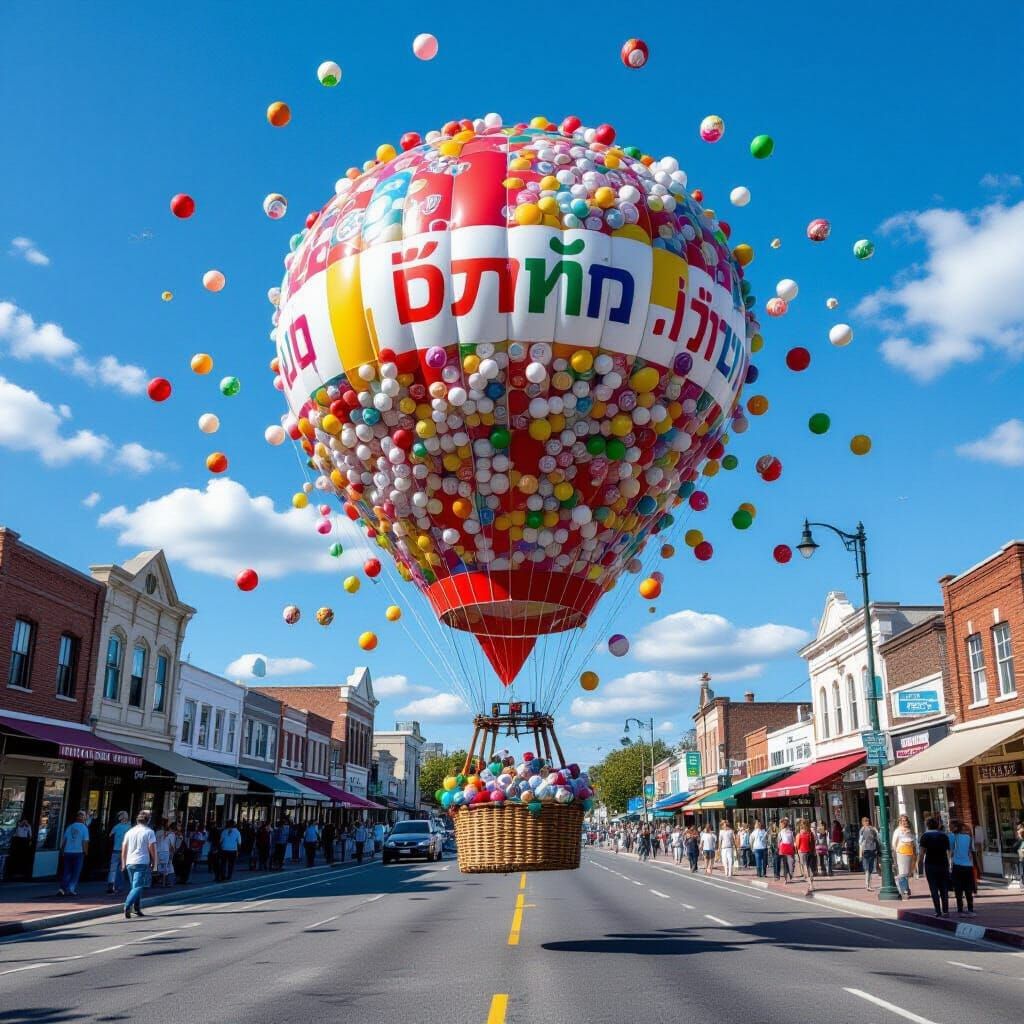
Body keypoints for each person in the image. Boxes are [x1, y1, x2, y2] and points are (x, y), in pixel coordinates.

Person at [122, 810, 158, 919]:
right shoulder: (149, 832)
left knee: (134, 886)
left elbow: (124, 847)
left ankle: (136, 908)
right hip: (142, 861)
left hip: (130, 862)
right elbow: (152, 848)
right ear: (148, 820)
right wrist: (154, 861)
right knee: (139, 886)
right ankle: (127, 905)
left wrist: (123, 862)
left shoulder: (130, 831)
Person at [918, 816, 951, 917]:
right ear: (938, 825)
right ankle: (945, 910)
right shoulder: (944, 836)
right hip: (943, 863)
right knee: (944, 888)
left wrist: (919, 863)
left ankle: (937, 910)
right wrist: (949, 862)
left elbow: (922, 852)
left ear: (927, 826)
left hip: (930, 864)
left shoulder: (924, 836)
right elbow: (949, 851)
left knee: (933, 888)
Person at [57, 810, 90, 896]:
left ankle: (62, 888)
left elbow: (64, 840)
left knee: (67, 871)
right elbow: (85, 841)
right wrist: (86, 851)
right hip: (78, 852)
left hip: (68, 851)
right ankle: (71, 889)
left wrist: (62, 850)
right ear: (83, 818)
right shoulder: (84, 828)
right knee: (76, 872)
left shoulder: (70, 827)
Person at [949, 820, 976, 916]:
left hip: (957, 865)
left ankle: (960, 909)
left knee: (958, 888)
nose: (950, 828)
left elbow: (951, 850)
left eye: (951, 826)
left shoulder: (952, 836)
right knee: (968, 888)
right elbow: (971, 850)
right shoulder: (968, 836)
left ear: (956, 827)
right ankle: (970, 909)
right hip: (968, 865)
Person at [890, 814, 918, 899]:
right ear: (899, 822)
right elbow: (894, 843)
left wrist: (915, 852)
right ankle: (904, 891)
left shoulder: (910, 830)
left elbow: (914, 842)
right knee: (903, 873)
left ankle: (906, 888)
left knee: (908, 873)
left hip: (911, 853)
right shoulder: (897, 831)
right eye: (902, 820)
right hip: (902, 853)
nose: (904, 822)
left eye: (905, 820)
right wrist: (897, 852)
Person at [106, 812, 131, 894]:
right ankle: (119, 886)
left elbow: (110, 836)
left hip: (115, 849)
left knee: (113, 869)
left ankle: (111, 884)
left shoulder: (116, 827)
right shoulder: (129, 828)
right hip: (125, 851)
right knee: (122, 869)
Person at [858, 816, 880, 891]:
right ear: (863, 822)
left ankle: (868, 885)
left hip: (872, 850)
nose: (866, 822)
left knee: (870, 869)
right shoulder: (863, 830)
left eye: (867, 821)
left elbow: (877, 838)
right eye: (865, 821)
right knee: (867, 869)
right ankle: (867, 885)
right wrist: (860, 854)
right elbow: (860, 842)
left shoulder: (872, 829)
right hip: (866, 851)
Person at [796, 820, 816, 894]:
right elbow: (813, 843)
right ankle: (811, 884)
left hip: (802, 852)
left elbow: (797, 845)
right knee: (810, 868)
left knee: (805, 869)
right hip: (810, 852)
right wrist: (813, 851)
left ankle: (810, 885)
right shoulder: (810, 833)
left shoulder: (799, 834)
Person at [155, 818, 175, 887]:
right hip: (165, 851)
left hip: (158, 851)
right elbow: (172, 846)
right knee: (166, 867)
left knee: (159, 867)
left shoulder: (157, 832)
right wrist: (172, 854)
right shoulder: (171, 834)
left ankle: (161, 881)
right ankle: (164, 882)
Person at [777, 818, 795, 883]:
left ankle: (785, 879)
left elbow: (778, 841)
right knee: (791, 863)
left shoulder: (781, 832)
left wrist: (779, 848)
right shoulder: (791, 832)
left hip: (783, 849)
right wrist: (793, 848)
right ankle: (790, 874)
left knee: (784, 864)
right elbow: (793, 841)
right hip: (790, 848)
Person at [206, 816, 222, 882]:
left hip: (214, 847)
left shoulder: (214, 831)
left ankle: (213, 871)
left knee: (213, 860)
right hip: (215, 847)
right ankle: (214, 873)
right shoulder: (216, 830)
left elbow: (210, 839)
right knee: (214, 860)